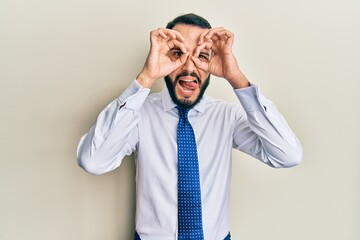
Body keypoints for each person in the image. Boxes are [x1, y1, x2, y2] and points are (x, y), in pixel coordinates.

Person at [77, 13, 303, 240]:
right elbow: (93, 161)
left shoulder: (228, 116)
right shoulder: (139, 113)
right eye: (178, 54)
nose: (189, 67)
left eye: (201, 55)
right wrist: (146, 77)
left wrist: (236, 78)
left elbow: (288, 155)